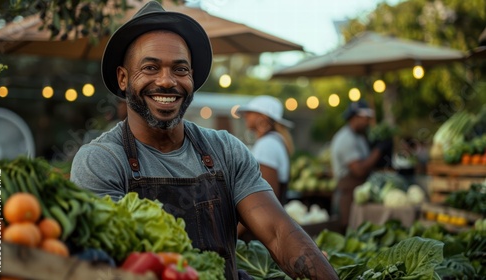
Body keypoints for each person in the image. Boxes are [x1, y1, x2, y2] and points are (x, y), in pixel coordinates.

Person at [69, 1, 339, 279]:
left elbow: (279, 234)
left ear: (192, 78)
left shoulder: (226, 150)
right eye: (150, 68)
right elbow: (110, 264)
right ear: (123, 78)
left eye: (180, 69)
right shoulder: (101, 161)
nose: (166, 81)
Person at [330, 100, 392, 232]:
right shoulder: (346, 139)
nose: (368, 122)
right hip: (348, 195)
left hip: (357, 193)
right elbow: (359, 170)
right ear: (355, 117)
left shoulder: (359, 137)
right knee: (349, 231)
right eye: (366, 118)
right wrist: (378, 150)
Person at [237, 95, 294, 205]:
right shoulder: (271, 141)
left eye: (250, 112)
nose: (246, 115)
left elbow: (267, 197)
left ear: (262, 116)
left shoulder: (268, 144)